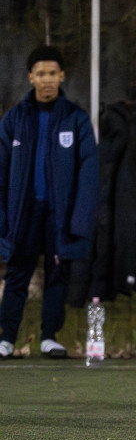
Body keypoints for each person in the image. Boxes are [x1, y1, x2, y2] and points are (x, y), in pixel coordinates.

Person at [0, 46, 98, 360]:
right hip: (23, 212)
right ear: (30, 77)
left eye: (52, 73)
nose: (47, 79)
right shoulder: (14, 119)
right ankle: (6, 338)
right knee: (17, 273)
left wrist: (79, 220)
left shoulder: (76, 119)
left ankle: (49, 338)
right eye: (41, 73)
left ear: (62, 76)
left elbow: (88, 172)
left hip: (60, 214)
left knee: (57, 272)